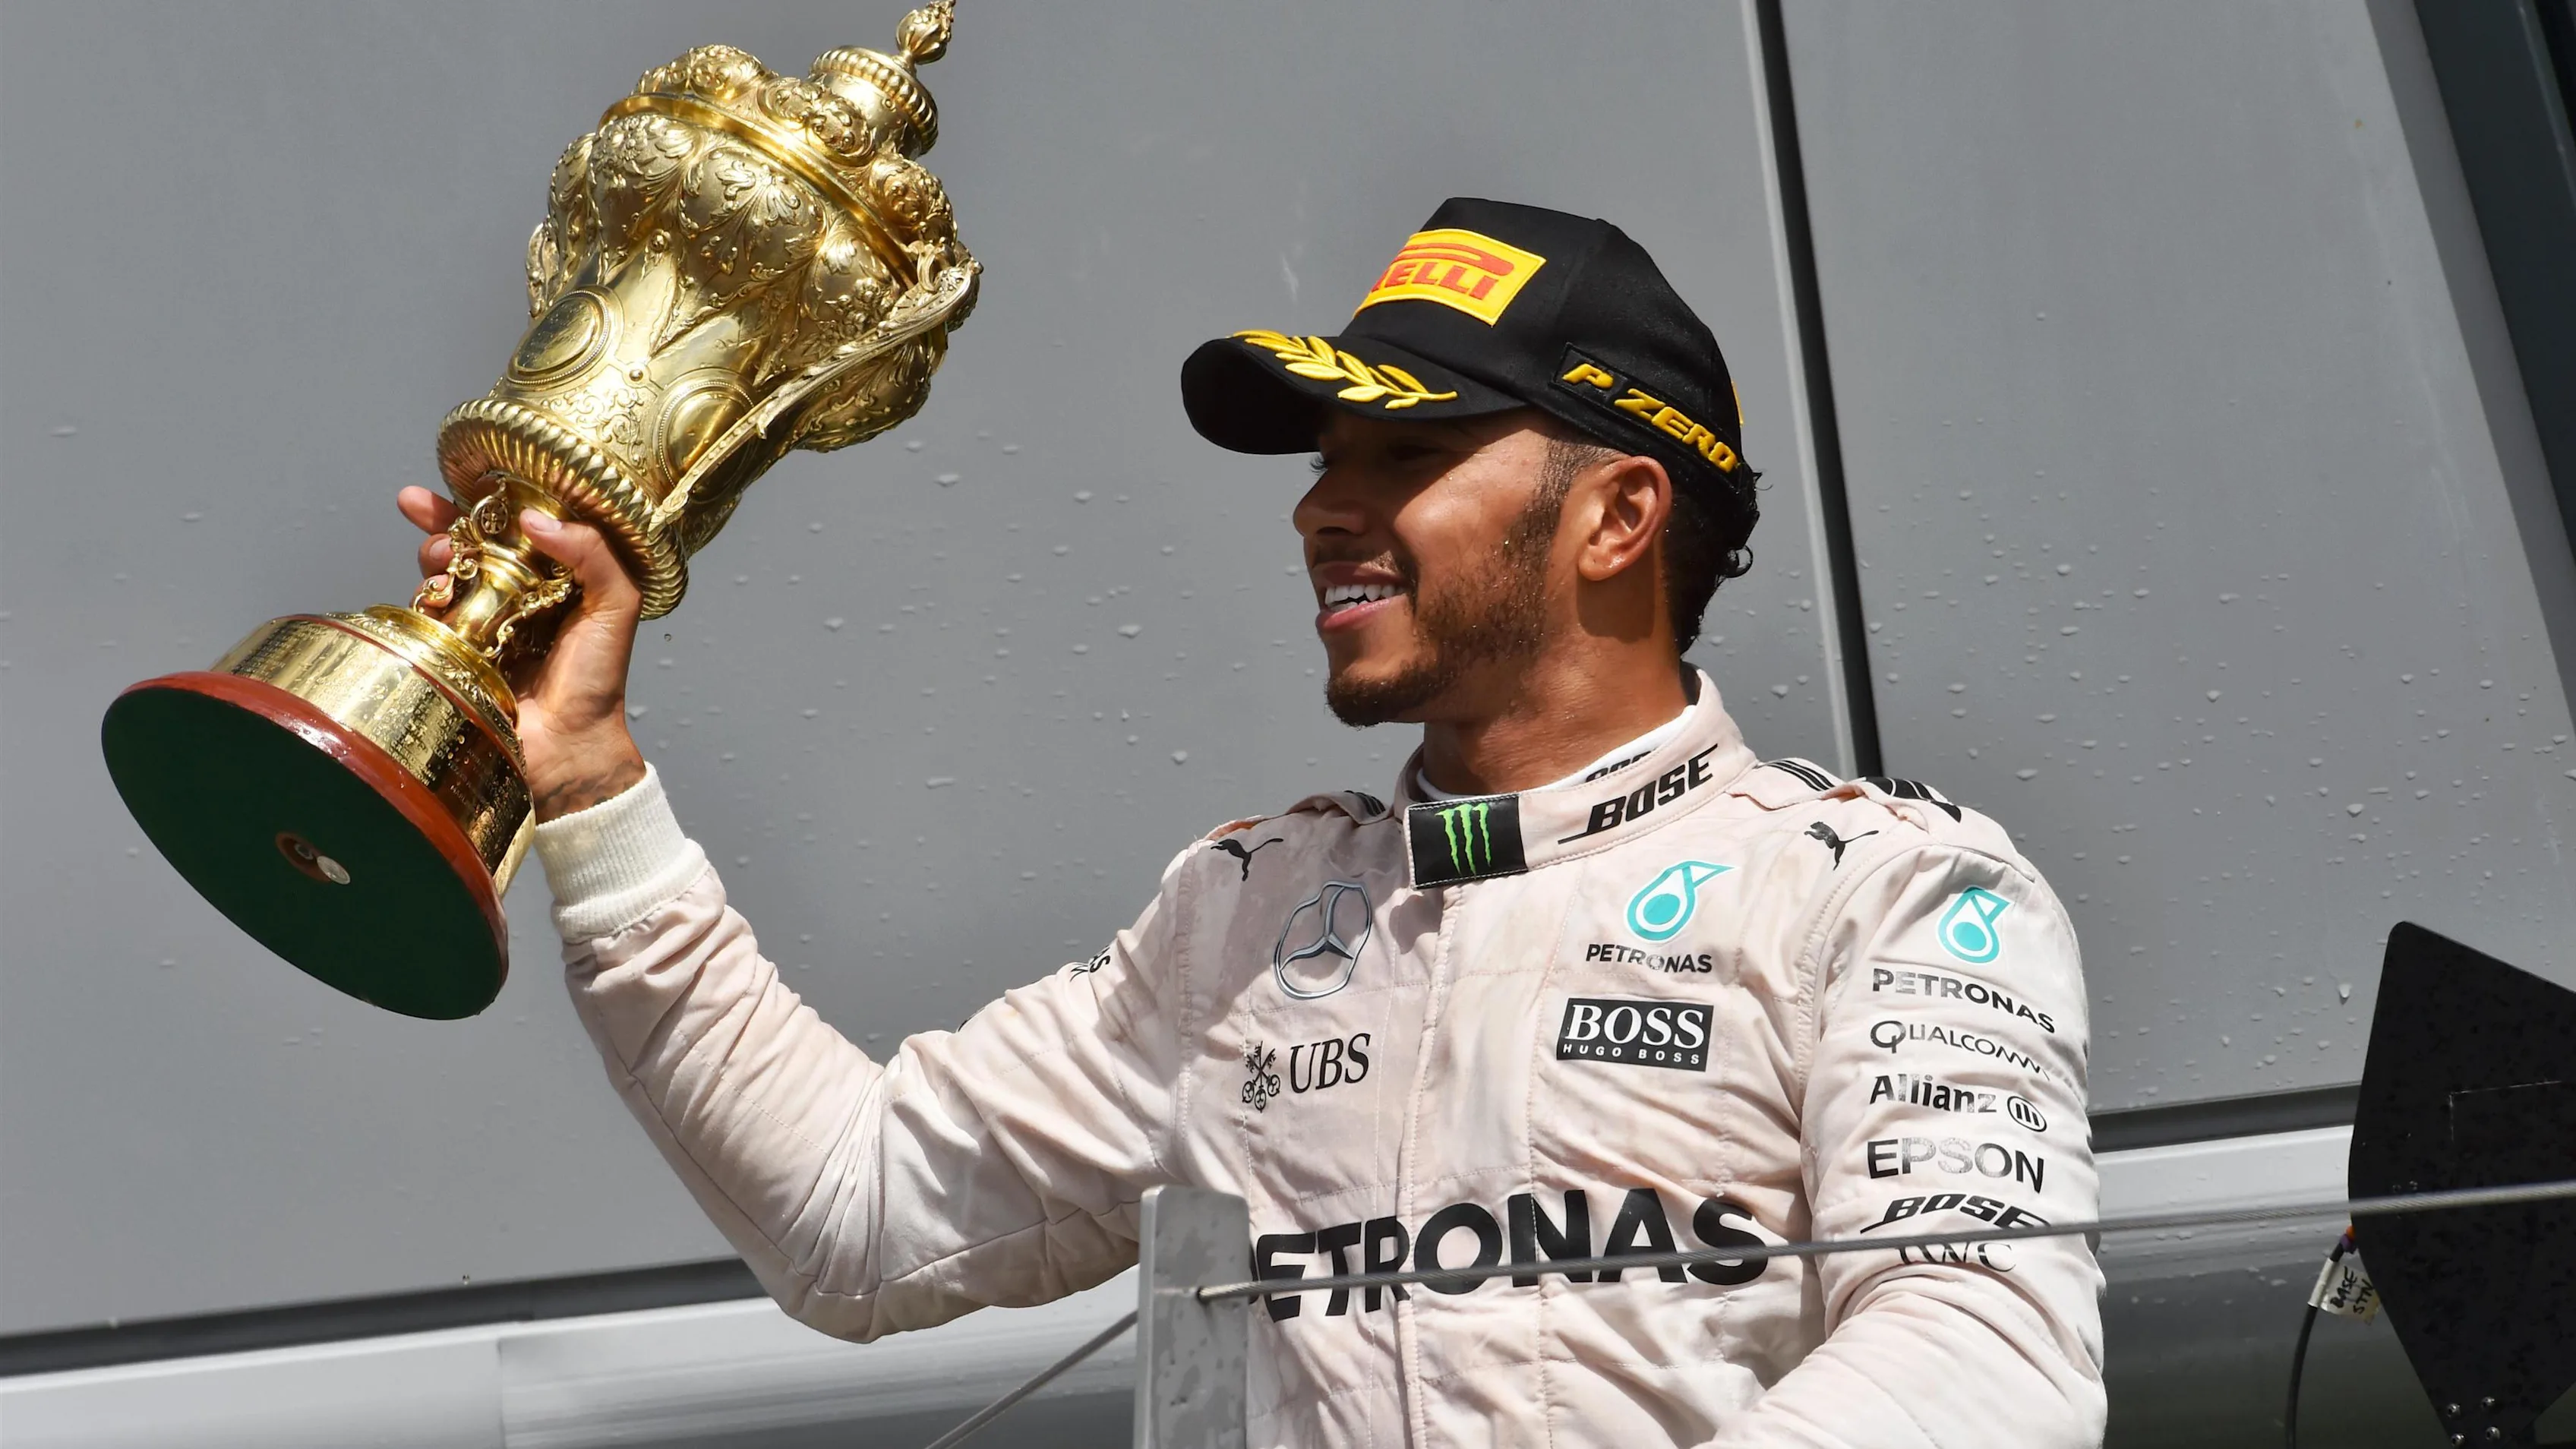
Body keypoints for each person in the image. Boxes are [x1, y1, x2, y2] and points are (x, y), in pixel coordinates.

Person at [399, 197, 2104, 1447]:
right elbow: (856, 1218)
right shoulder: (1247, 919)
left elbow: (1982, 1355)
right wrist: (588, 776)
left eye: (1403, 449)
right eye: (1317, 456)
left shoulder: (1880, 893)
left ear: (1617, 514)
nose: (1321, 506)